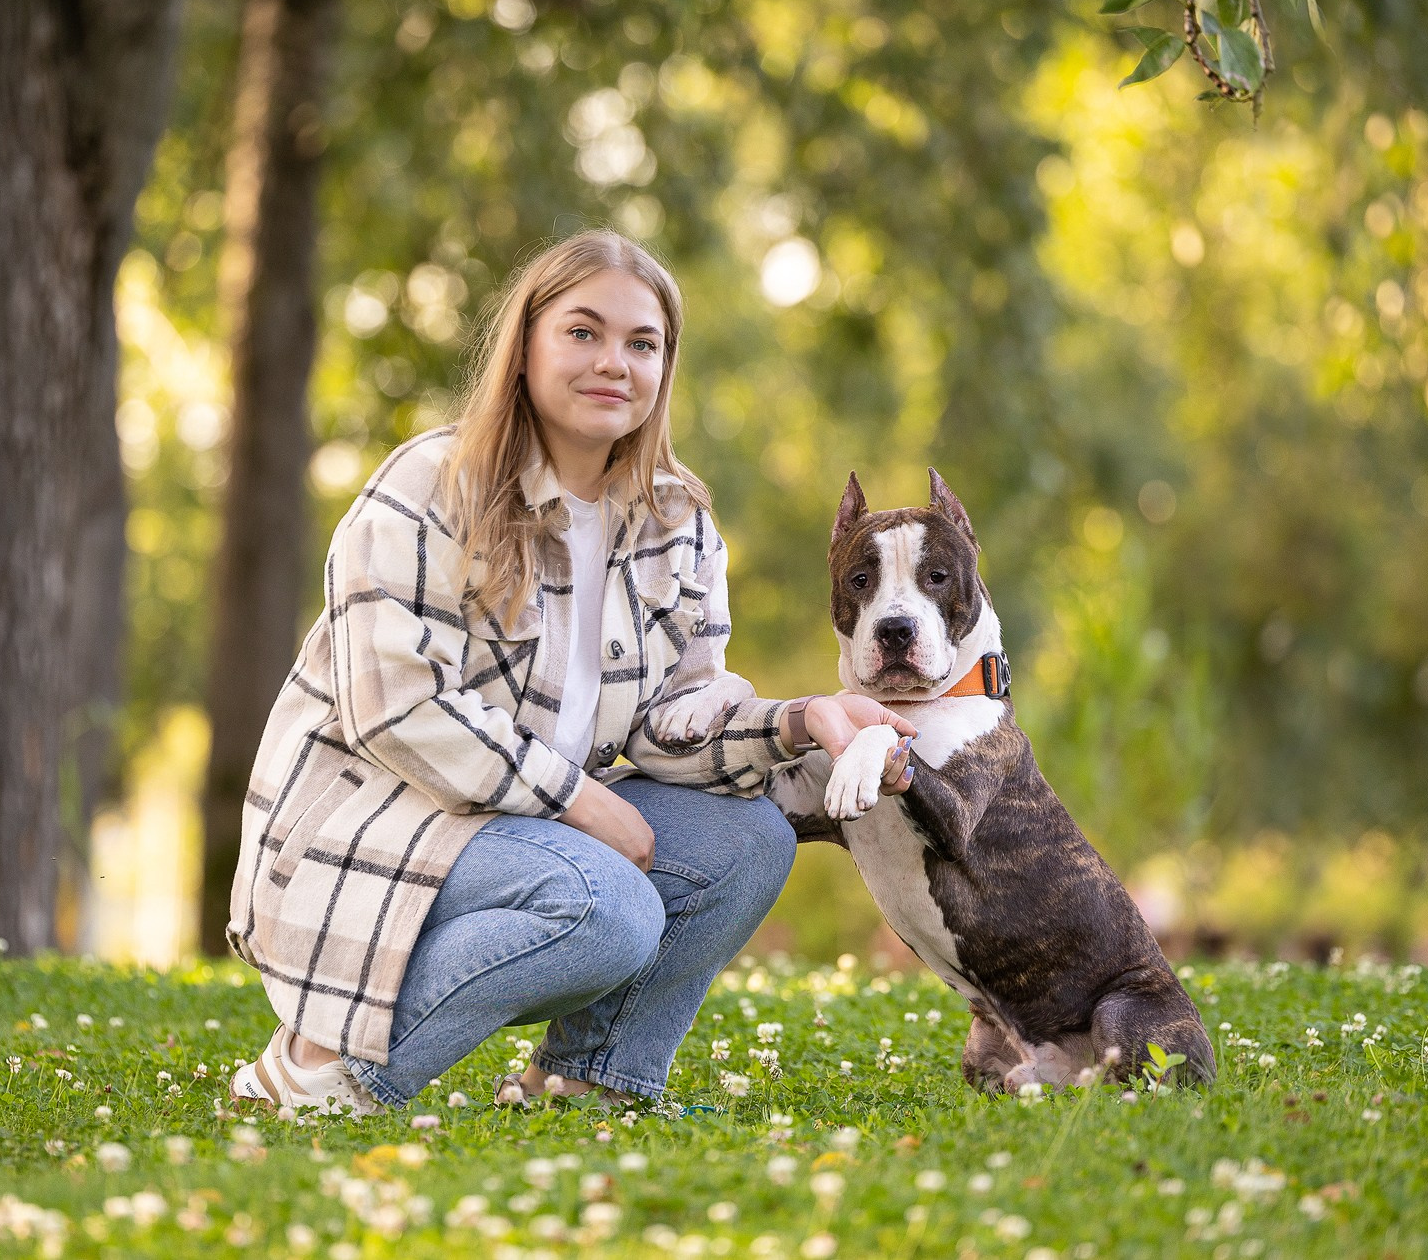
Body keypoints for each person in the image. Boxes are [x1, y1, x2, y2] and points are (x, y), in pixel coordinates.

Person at [225, 229, 914, 1115]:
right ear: (526, 346)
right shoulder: (431, 484)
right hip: (370, 819)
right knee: (607, 904)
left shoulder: (678, 521)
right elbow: (395, 709)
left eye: (642, 343)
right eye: (582, 333)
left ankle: (589, 1079)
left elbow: (670, 724)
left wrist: (802, 720)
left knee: (750, 840)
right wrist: (580, 801)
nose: (613, 364)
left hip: (518, 828)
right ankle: (319, 1072)